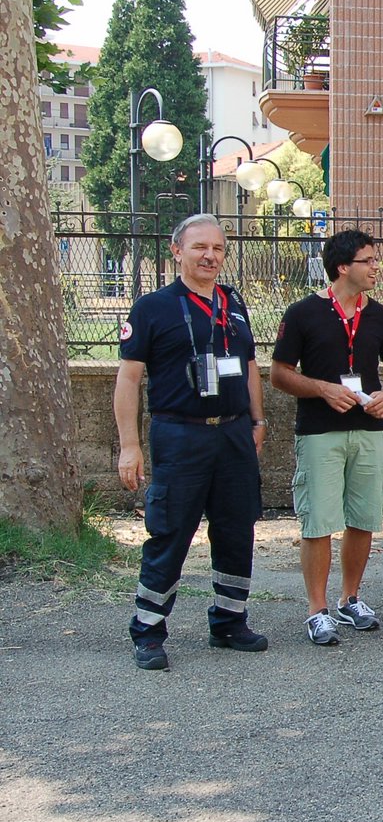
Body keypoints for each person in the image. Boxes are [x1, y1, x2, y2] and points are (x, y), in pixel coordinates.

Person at [115, 214, 269, 670]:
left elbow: (251, 364)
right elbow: (128, 378)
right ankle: (148, 630)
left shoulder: (234, 303)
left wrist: (257, 420)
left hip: (235, 433)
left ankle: (229, 620)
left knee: (237, 526)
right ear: (177, 251)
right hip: (180, 433)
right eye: (200, 247)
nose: (210, 256)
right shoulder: (153, 307)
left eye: (218, 249)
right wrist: (129, 444)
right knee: (171, 530)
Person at [270, 229, 383, 645]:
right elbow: (279, 374)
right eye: (368, 261)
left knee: (363, 518)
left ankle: (351, 598)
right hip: (320, 432)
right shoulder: (302, 313)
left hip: (368, 431)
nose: (376, 268)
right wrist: (324, 389)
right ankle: (317, 609)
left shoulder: (381, 315)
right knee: (318, 522)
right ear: (343, 266)